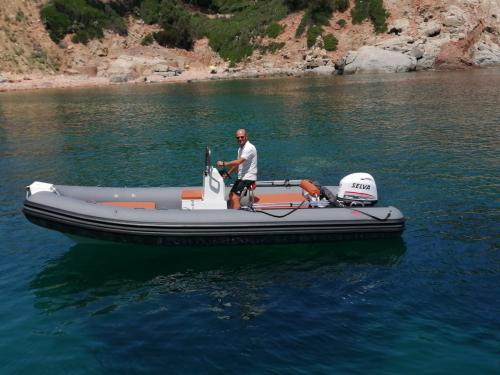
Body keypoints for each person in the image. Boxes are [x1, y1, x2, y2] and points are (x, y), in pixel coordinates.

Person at [217, 129, 258, 209]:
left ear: (246, 137)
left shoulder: (249, 148)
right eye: (238, 137)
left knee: (235, 197)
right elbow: (238, 165)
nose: (240, 139)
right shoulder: (240, 149)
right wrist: (228, 173)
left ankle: (236, 217)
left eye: (242, 137)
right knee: (231, 195)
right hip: (242, 177)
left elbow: (239, 161)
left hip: (248, 178)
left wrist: (224, 163)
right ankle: (233, 212)